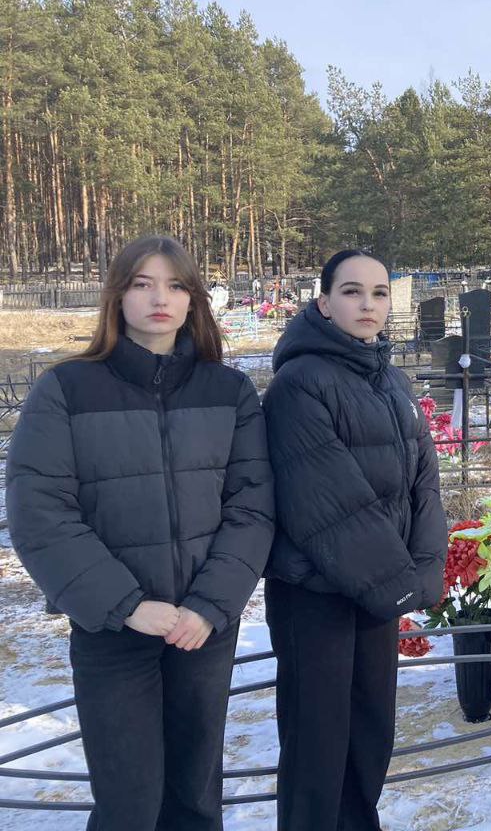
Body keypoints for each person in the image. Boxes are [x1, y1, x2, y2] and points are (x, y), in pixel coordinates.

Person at [6, 236, 274, 831]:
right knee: (128, 804)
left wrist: (209, 605)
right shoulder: (67, 390)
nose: (160, 299)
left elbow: (252, 507)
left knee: (195, 800)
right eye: (143, 284)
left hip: (202, 629)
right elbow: (41, 512)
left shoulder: (227, 392)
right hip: (113, 630)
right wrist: (126, 605)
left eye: (176, 286)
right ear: (118, 295)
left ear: (193, 300)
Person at [262, 248, 447, 831]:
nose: (368, 304)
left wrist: (427, 564)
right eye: (351, 291)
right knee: (317, 743)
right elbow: (329, 502)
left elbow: (424, 479)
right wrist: (402, 585)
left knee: (370, 731)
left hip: (380, 587)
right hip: (316, 592)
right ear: (323, 303)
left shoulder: (391, 378)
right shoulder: (298, 383)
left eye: (379, 292)